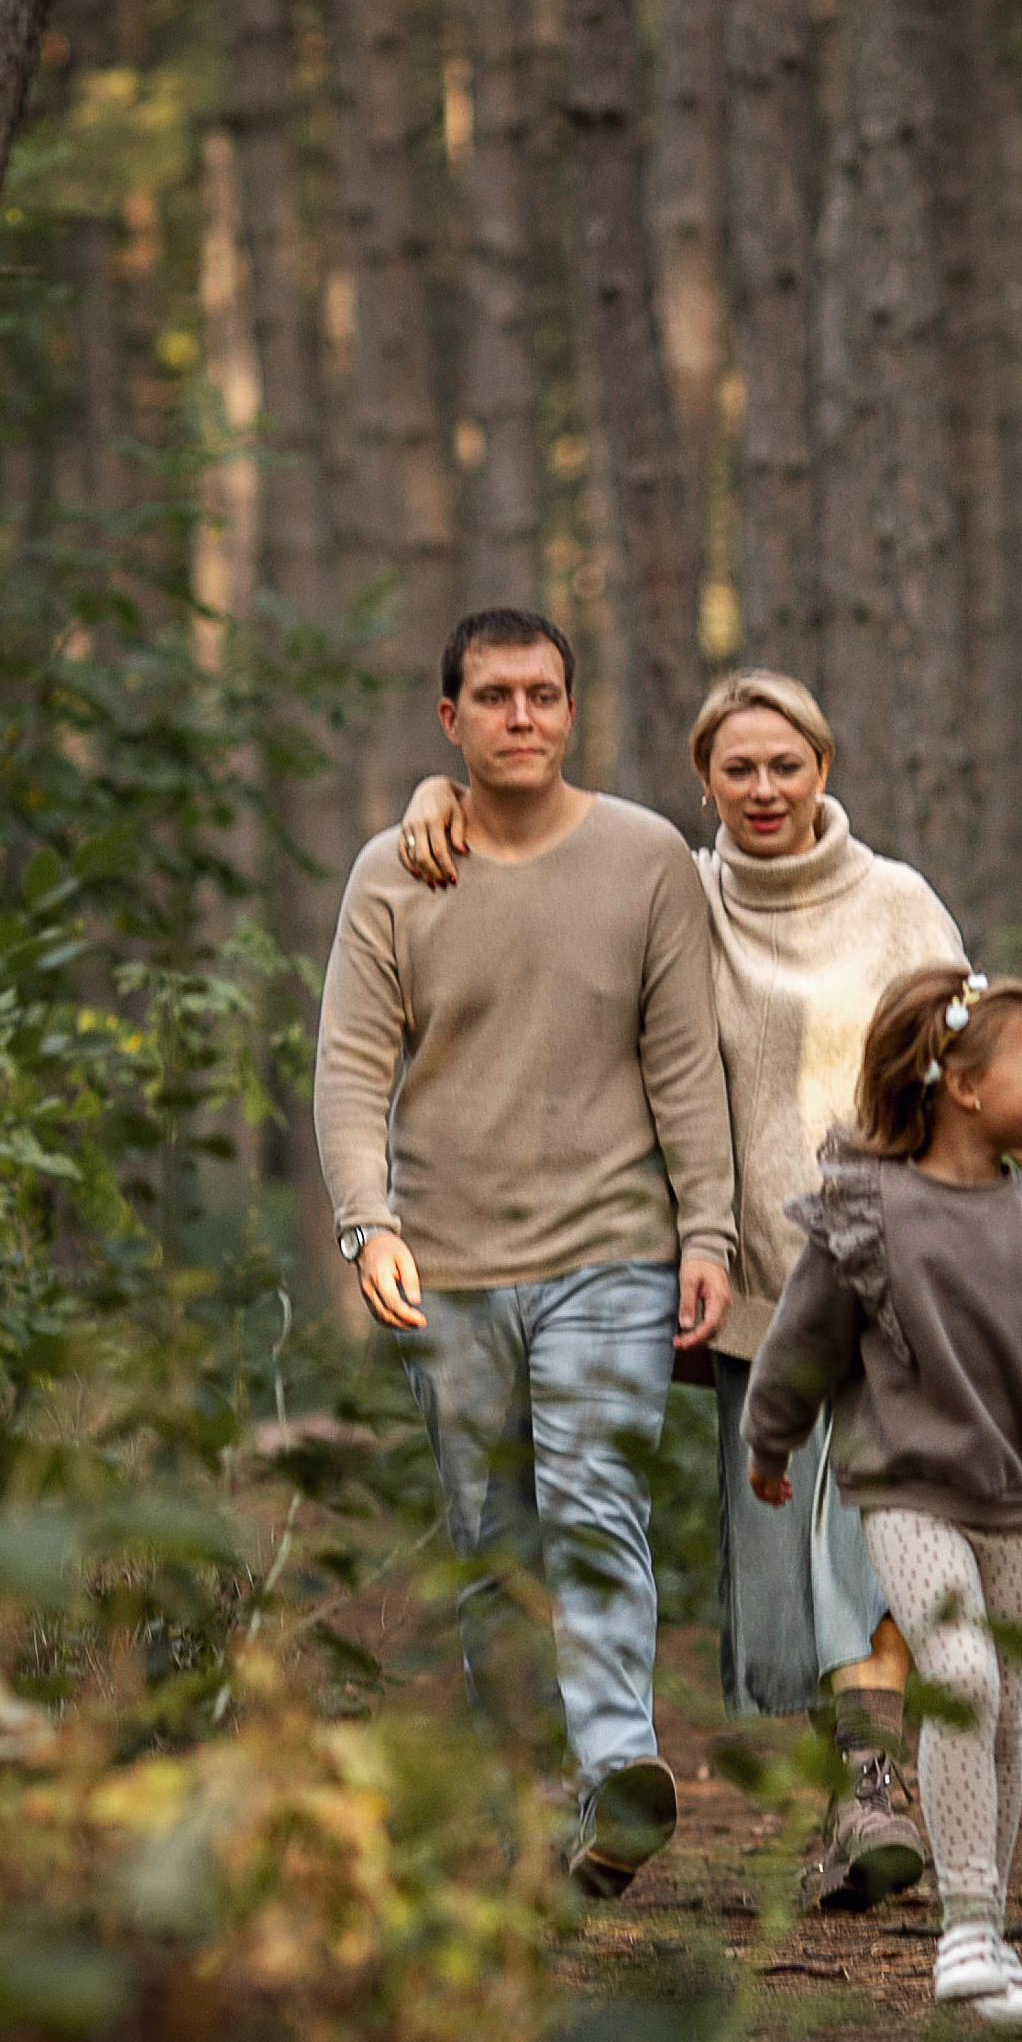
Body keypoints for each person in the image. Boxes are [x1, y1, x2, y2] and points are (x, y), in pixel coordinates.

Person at [394, 670, 1022, 1914]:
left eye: (784, 766)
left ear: (824, 770)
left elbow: (983, 1074)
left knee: (867, 1530)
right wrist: (438, 794)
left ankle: (874, 1790)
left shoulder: (897, 904)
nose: (763, 791)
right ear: (704, 784)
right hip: (754, 1284)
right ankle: (861, 1800)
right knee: (784, 1568)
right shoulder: (677, 894)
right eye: (737, 771)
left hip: (908, 1277)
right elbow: (548, 847)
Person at [315, 607, 736, 1900]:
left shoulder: (647, 855)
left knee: (594, 1501)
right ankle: (518, 1800)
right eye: (493, 696)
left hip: (612, 1246)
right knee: (491, 1533)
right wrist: (366, 1221)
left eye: (543, 694)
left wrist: (707, 1227)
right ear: (450, 719)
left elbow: (682, 1057)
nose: (521, 716)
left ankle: (615, 1768)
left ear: (572, 709)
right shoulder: (400, 867)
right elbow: (348, 1063)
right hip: (446, 1260)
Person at [742, 966, 1022, 2031]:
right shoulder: (871, 1212)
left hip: (1019, 1500)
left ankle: (992, 1923)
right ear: (963, 1088)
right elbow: (801, 1344)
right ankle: (964, 1934)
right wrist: (768, 1439)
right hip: (906, 1492)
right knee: (962, 1679)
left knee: (1005, 1710)